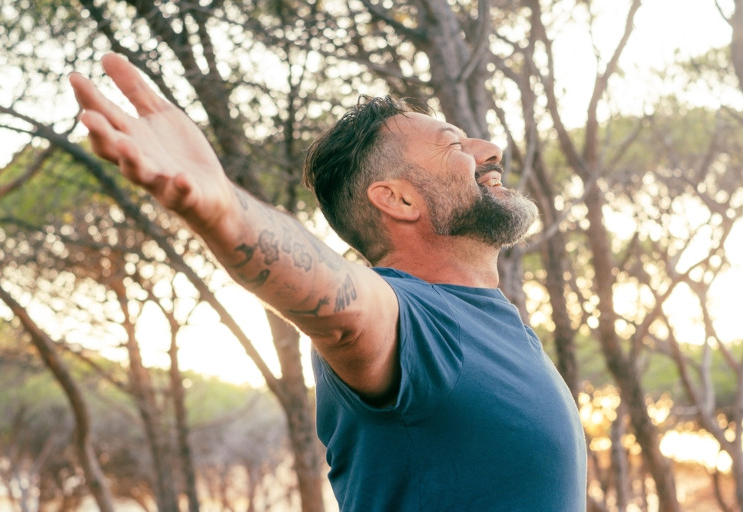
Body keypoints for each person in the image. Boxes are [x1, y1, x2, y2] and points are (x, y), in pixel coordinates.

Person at [69, 53, 587, 511]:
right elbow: (342, 305)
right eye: (453, 143)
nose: (490, 147)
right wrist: (224, 209)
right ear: (400, 200)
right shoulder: (414, 322)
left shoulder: (493, 322)